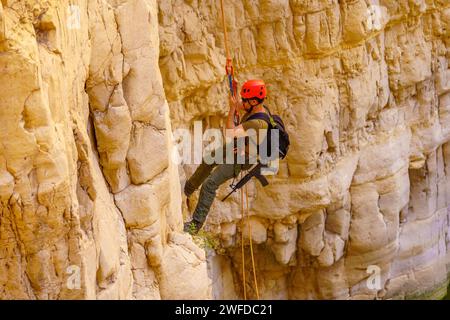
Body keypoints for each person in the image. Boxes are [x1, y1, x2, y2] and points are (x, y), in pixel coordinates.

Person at [183, 79, 269, 235]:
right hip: (240, 147)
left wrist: (231, 109)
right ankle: (188, 189)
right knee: (209, 159)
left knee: (210, 184)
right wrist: (233, 86)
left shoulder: (257, 122)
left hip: (241, 159)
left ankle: (195, 225)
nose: (243, 102)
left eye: (246, 100)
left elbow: (229, 132)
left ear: (255, 101)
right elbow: (241, 105)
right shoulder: (257, 110)